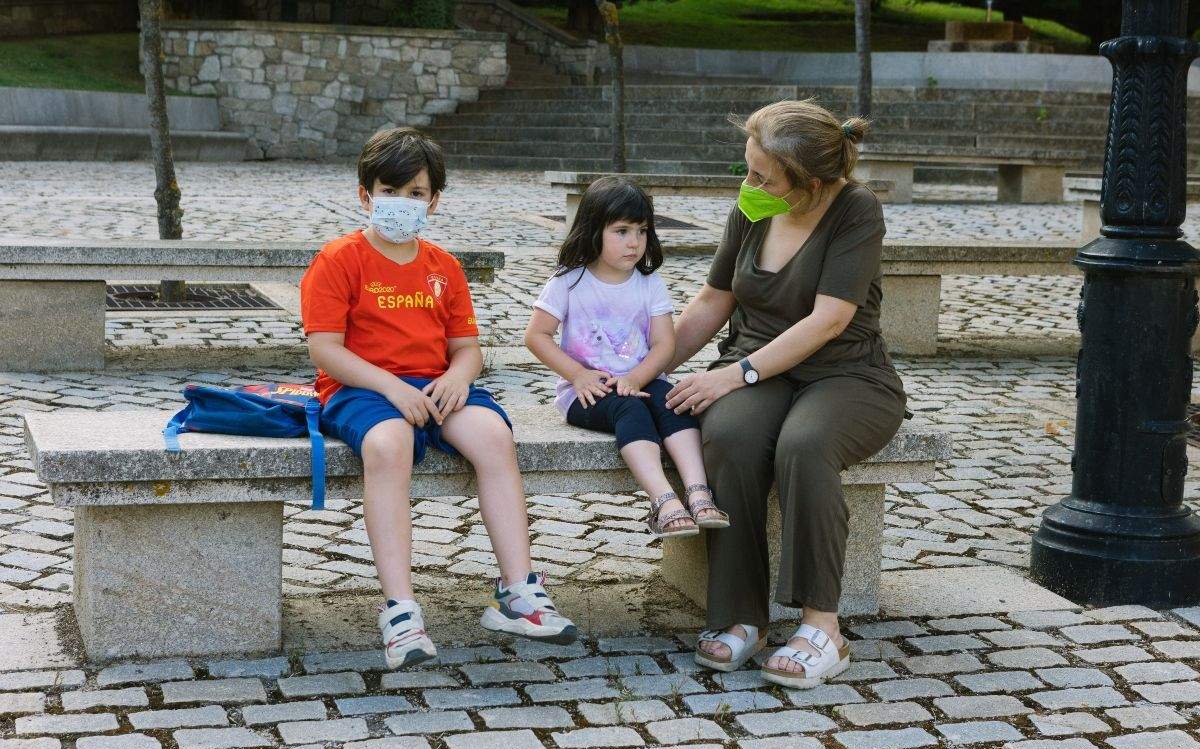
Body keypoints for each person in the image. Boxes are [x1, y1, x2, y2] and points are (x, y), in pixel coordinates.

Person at [300, 127, 576, 670]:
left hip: (438, 386)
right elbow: (326, 350)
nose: (402, 203)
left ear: (434, 201)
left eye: (416, 194)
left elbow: (467, 350)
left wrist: (457, 376)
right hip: (362, 389)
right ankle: (401, 611)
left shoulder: (443, 267)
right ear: (365, 195)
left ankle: (517, 590)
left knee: (495, 436)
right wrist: (391, 387)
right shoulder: (338, 260)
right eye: (390, 191)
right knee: (388, 444)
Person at [664, 101, 907, 687]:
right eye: (747, 170)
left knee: (805, 445)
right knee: (729, 436)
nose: (748, 185)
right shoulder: (752, 208)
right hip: (756, 368)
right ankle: (740, 618)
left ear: (814, 185)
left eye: (762, 177)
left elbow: (829, 319)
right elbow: (712, 301)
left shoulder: (856, 211)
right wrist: (641, 370)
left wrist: (734, 374)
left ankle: (822, 627)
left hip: (846, 375)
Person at [525, 177, 729, 538]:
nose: (634, 242)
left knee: (673, 403)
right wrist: (577, 374)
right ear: (592, 230)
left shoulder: (648, 283)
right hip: (588, 393)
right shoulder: (569, 281)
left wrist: (636, 378)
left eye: (641, 231)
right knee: (629, 409)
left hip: (641, 381)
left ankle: (699, 493)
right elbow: (536, 336)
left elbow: (664, 345)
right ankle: (664, 499)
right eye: (621, 231)